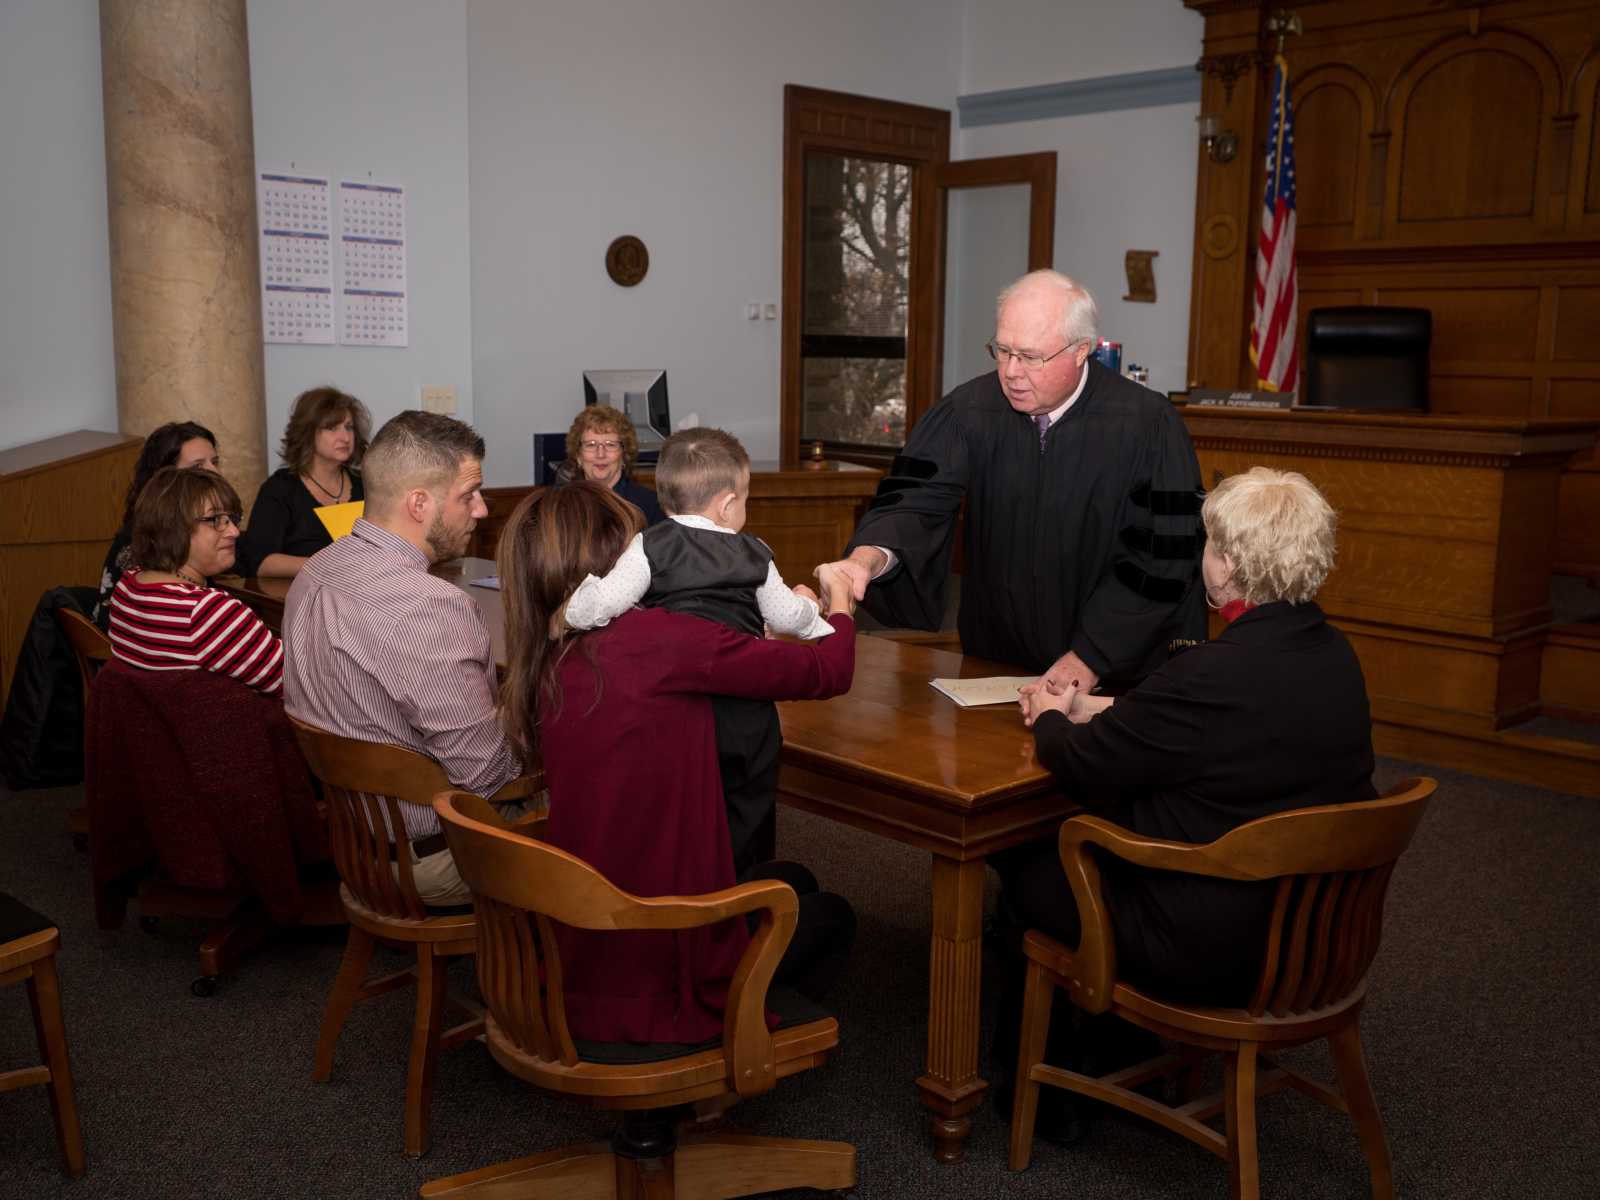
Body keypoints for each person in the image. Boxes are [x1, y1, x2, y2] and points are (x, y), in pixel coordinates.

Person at [991, 466, 1376, 1141]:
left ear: (1228, 562)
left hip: (1207, 946)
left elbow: (1082, 764)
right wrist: (1091, 705)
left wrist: (1053, 715)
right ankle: (1128, 1059)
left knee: (1026, 864)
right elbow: (1201, 724)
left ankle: (1056, 1096)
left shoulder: (1213, 673)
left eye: (1210, 544)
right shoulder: (1331, 653)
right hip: (1314, 936)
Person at [498, 481, 858, 1045]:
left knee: (792, 878)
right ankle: (709, 1071)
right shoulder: (661, 641)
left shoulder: (549, 643)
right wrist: (838, 605)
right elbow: (827, 672)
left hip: (584, 923)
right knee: (831, 915)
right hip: (662, 943)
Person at [820, 269, 1205, 697]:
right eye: (1002, 351)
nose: (1011, 371)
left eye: (1030, 356)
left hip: (1109, 676)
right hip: (992, 664)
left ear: (1081, 351)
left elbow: (1163, 558)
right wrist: (868, 558)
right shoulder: (970, 411)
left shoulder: (1147, 426)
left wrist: (1092, 656)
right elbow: (915, 499)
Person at [562, 426, 834, 877]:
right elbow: (788, 619)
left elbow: (601, 605)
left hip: (679, 706)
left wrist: (572, 610)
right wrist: (815, 607)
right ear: (728, 504)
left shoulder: (650, 545)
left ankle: (694, 883)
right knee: (747, 801)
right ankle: (747, 887)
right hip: (745, 710)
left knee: (687, 798)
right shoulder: (755, 552)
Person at [282, 410, 521, 908]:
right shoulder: (428, 604)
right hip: (433, 860)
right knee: (613, 801)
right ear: (418, 503)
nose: (480, 510)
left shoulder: (318, 569)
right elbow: (490, 777)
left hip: (355, 841)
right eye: (467, 495)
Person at [106, 466, 283, 694]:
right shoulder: (207, 612)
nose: (234, 532)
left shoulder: (127, 587)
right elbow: (294, 683)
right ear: (173, 526)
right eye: (215, 519)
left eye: (231, 518)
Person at [93, 421, 220, 627]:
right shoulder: (145, 537)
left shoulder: (189, 524)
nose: (214, 472)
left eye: (215, 462)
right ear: (165, 478)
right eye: (198, 466)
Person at [235, 386, 371, 577]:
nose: (345, 437)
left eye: (348, 427)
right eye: (332, 428)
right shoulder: (281, 489)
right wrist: (329, 567)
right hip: (297, 596)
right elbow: (260, 562)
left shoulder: (365, 485)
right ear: (308, 432)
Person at [559, 403, 666, 525]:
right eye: (591, 445)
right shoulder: (561, 506)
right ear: (578, 455)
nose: (600, 454)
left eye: (610, 445)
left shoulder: (650, 506)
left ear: (624, 454)